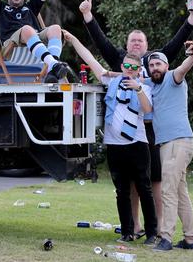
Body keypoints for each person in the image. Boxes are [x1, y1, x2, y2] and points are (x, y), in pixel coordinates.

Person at [79, 0, 193, 237]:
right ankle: (133, 226)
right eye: (132, 41)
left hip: (151, 129)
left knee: (153, 182)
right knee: (129, 185)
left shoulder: (156, 61)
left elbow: (177, 43)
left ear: (147, 46)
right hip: (123, 134)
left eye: (140, 41)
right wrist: (87, 16)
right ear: (126, 45)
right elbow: (100, 43)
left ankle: (156, 227)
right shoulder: (121, 62)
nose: (136, 44)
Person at [63, 30, 158, 246]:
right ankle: (127, 232)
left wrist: (139, 89)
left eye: (135, 67)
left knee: (144, 188)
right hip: (114, 144)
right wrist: (74, 40)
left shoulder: (145, 86)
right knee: (121, 190)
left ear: (139, 69)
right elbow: (90, 59)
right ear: (122, 66)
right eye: (127, 66)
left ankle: (152, 233)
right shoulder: (111, 80)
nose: (130, 69)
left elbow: (148, 110)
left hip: (137, 143)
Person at [144, 42, 193, 251]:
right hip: (169, 144)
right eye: (151, 66)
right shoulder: (154, 85)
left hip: (177, 142)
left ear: (166, 66)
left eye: (158, 64)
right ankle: (190, 239)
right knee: (180, 192)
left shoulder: (173, 77)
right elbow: (129, 76)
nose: (155, 68)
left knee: (167, 191)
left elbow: (185, 66)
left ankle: (166, 237)